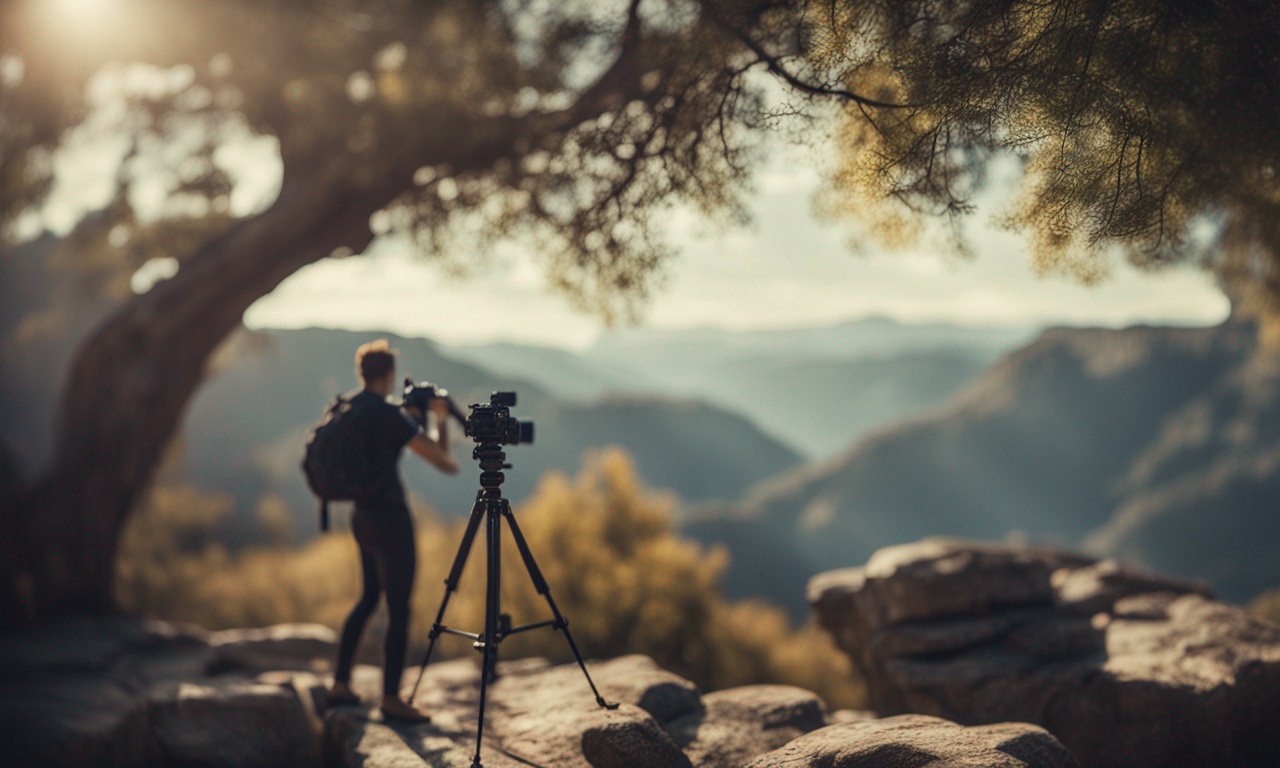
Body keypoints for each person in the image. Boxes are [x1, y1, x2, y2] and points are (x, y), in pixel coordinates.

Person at [327, 339, 458, 723]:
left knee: (368, 598)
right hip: (392, 520)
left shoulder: (349, 409)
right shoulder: (389, 417)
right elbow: (443, 460)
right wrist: (437, 418)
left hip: (361, 517)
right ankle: (391, 699)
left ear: (362, 373)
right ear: (389, 376)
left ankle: (339, 683)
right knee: (399, 609)